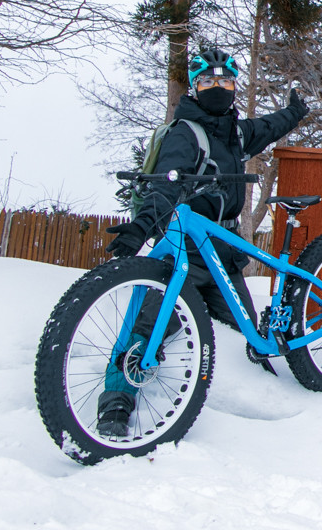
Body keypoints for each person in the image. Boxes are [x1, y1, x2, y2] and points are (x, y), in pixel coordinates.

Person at [97, 48, 310, 436]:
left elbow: (265, 127)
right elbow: (164, 187)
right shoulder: (185, 133)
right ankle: (116, 403)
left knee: (251, 341)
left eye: (225, 80)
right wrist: (142, 226)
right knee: (146, 330)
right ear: (195, 88)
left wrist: (295, 113)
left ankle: (272, 416)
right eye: (208, 81)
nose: (218, 87)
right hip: (187, 251)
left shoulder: (234, 133)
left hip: (223, 251)